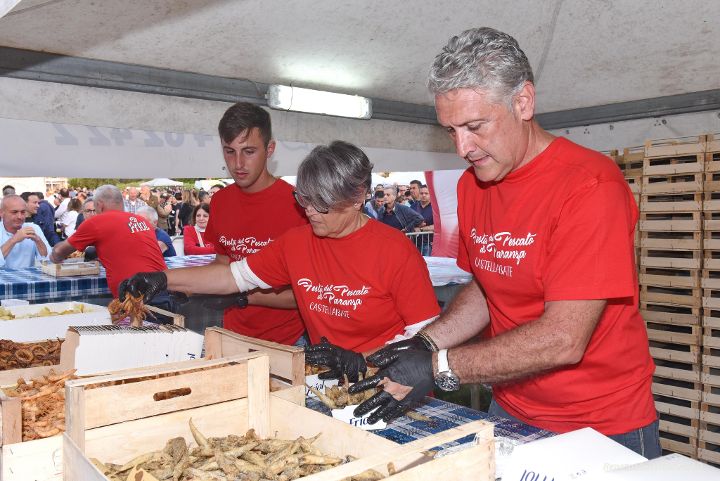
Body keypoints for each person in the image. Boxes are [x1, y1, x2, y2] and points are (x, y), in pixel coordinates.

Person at [349, 27, 660, 458]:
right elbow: (487, 284)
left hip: (600, 424)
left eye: (475, 126)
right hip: (510, 407)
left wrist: (441, 366)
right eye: (450, 131)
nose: (463, 147)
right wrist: (427, 342)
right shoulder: (473, 185)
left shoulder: (588, 186)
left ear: (523, 102)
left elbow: (564, 339)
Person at [121, 141, 441, 381]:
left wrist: (364, 359)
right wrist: (162, 278)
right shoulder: (297, 242)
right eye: (304, 200)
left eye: (323, 205)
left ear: (358, 198)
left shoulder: (395, 251)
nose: (310, 212)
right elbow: (232, 277)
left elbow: (428, 336)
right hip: (327, 377)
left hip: (392, 380)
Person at [169, 102, 309, 345]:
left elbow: (306, 294)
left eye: (249, 151)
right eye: (230, 151)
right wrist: (193, 287)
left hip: (287, 339)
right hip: (233, 333)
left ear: (270, 149)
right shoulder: (221, 201)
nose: (238, 164)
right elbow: (223, 263)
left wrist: (242, 296)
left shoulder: (299, 205)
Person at [50, 185, 166, 297]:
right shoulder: (141, 220)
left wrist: (54, 257)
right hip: (164, 284)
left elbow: (59, 252)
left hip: (134, 294)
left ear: (100, 205)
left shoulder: (96, 222)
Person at [0, 195, 50, 268]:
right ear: (1, 213)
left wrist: (38, 241)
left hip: (28, 278)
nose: (19, 217)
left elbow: (47, 259)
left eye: (23, 212)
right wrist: (14, 240)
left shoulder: (33, 228)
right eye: (14, 212)